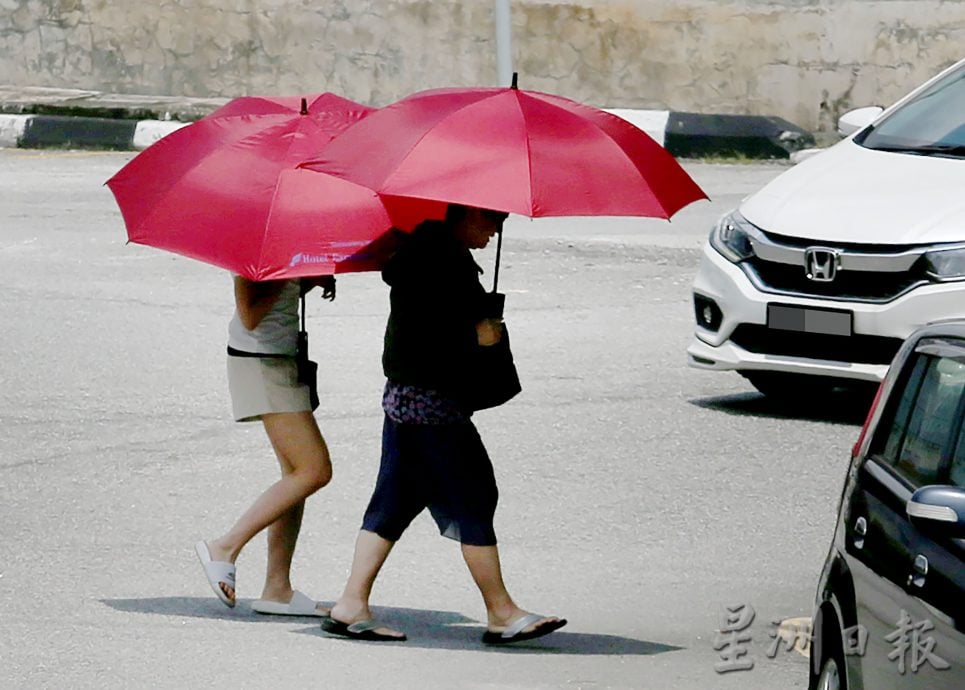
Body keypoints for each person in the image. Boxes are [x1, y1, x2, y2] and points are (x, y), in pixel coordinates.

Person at [321, 204, 567, 644]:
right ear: (467, 214)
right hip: (433, 403)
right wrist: (483, 333)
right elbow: (443, 332)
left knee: (394, 500)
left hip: (404, 396)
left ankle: (351, 604)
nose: (496, 230)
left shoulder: (420, 252)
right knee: (472, 494)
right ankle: (501, 611)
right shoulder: (445, 262)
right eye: (493, 219)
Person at [194, 275, 335, 616]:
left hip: (280, 357)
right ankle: (224, 546)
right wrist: (290, 273)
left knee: (294, 474)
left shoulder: (280, 249)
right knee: (314, 471)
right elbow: (249, 313)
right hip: (260, 361)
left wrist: (306, 282)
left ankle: (277, 588)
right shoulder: (254, 254)